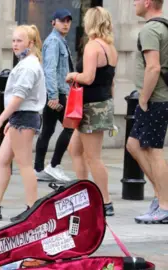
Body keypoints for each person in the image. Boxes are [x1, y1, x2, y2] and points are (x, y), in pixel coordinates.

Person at [0, 25, 46, 222]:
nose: (15, 44)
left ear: (30, 43)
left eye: (20, 41)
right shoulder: (26, 63)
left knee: (25, 165)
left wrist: (0, 120)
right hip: (20, 118)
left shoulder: (29, 66)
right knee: (3, 159)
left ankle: (32, 209)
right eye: (14, 40)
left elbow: (19, 97)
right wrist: (10, 121)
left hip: (24, 118)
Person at [65, 6, 117, 216]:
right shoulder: (110, 48)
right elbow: (110, 81)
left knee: (93, 157)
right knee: (74, 150)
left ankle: (105, 201)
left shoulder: (92, 47)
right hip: (102, 104)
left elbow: (88, 78)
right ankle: (83, 194)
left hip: (91, 107)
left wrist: (72, 76)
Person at [128, 0, 168, 224]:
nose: (133, 3)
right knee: (133, 145)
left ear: (148, 2)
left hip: (154, 98)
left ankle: (164, 205)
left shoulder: (151, 29)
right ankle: (162, 196)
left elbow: (153, 67)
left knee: (153, 150)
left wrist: (143, 98)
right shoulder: (162, 26)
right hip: (157, 98)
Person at [34, 8, 74, 182]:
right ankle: (54, 165)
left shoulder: (60, 41)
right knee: (70, 127)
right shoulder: (53, 42)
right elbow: (49, 70)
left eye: (68, 21)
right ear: (53, 22)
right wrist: (53, 96)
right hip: (56, 94)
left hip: (57, 92)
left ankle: (38, 169)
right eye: (62, 20)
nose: (66, 24)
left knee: (48, 130)